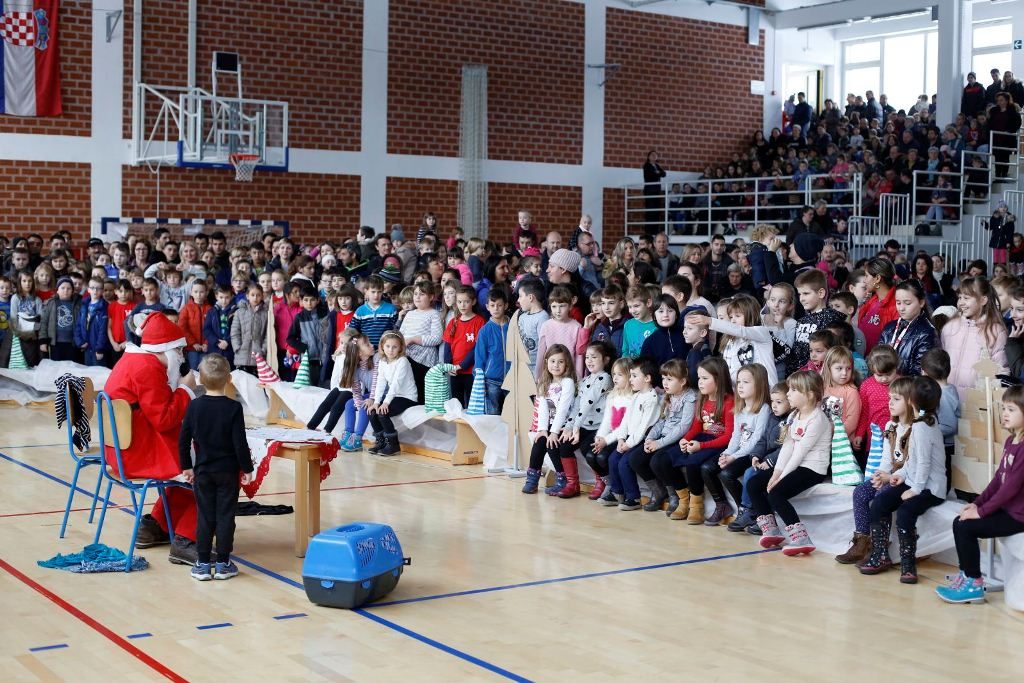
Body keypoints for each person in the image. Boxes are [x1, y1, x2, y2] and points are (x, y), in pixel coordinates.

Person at [103, 312, 200, 564]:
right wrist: (186, 390)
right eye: (179, 350)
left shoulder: (132, 360)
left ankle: (157, 525)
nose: (181, 356)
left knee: (199, 456)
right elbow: (164, 419)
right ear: (165, 349)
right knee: (214, 466)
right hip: (137, 454)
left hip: (123, 450)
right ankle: (187, 538)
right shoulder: (147, 367)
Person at [936, 384, 1024, 604]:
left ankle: (974, 584)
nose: (1005, 414)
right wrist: (977, 504)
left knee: (967, 527)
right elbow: (998, 480)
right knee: (960, 522)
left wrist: (982, 512)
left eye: (1011, 409)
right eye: (1004, 408)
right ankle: (967, 575)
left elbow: (1010, 488)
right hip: (1008, 510)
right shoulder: (1010, 441)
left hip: (1019, 516)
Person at [859, 377, 946, 583]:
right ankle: (880, 555)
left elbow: (924, 463)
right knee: (880, 503)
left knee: (906, 512)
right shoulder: (920, 423)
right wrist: (901, 475)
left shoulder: (923, 427)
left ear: (911, 401)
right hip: (915, 480)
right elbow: (912, 460)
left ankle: (908, 566)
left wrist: (915, 489)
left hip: (930, 488)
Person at [179, 354, 253, 581]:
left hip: (203, 471)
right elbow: (240, 443)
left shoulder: (194, 406)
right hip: (228, 472)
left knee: (205, 516)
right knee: (225, 516)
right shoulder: (234, 408)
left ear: (200, 379)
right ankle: (223, 563)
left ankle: (202, 564)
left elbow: (183, 439)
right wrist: (247, 468)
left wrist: (187, 466)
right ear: (229, 379)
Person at [749, 371, 833, 555]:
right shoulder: (794, 416)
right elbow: (787, 447)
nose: (788, 394)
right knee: (754, 483)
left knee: (776, 494)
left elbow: (800, 452)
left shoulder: (818, 419)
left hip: (812, 469)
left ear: (809, 394)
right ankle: (771, 530)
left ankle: (801, 538)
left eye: (794, 390)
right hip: (796, 464)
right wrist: (776, 473)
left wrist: (780, 478)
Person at [651, 357, 734, 524]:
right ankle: (683, 500)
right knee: (663, 459)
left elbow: (728, 436)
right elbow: (696, 426)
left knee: (692, 463)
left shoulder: (729, 401)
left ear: (718, 379)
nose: (699, 382)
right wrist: (685, 439)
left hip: (717, 443)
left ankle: (697, 506)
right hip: (701, 439)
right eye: (699, 377)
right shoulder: (702, 398)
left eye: (705, 378)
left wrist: (701, 446)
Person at [703, 363, 770, 526]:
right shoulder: (739, 408)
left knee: (726, 474)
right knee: (707, 468)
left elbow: (756, 440)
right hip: (738, 452)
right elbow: (735, 436)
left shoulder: (764, 409)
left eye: (746, 382)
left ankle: (748, 509)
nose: (740, 386)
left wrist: (733, 457)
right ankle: (728, 507)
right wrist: (727, 454)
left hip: (752, 454)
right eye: (739, 382)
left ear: (759, 385)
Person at [522, 344, 578, 496]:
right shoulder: (544, 382)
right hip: (550, 424)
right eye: (553, 361)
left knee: (552, 443)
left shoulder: (567, 382)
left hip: (564, 425)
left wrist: (553, 432)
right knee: (539, 442)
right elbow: (543, 408)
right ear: (546, 362)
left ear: (567, 364)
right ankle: (532, 479)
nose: (556, 365)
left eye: (561, 362)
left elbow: (563, 409)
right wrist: (542, 430)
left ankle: (563, 479)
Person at [942, 277, 1008, 400]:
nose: (961, 303)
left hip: (977, 405)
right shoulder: (949, 327)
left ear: (983, 300)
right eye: (960, 297)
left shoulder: (995, 331)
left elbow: (1001, 371)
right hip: (946, 402)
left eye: (966, 298)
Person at [567, 341, 613, 499]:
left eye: (594, 357)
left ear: (605, 360)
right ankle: (569, 482)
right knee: (564, 445)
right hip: (583, 425)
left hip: (598, 427)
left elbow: (588, 403)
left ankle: (602, 481)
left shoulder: (605, 378)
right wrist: (570, 426)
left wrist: (576, 428)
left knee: (588, 449)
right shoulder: (584, 381)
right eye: (587, 357)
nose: (589, 361)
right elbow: (577, 406)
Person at [365, 331, 417, 456]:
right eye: (388, 346)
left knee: (383, 413)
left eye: (394, 347)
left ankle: (393, 444)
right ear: (382, 346)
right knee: (372, 412)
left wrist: (386, 403)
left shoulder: (403, 361)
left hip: (407, 397)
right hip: (394, 396)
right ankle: (381, 442)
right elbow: (380, 383)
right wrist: (376, 402)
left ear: (400, 348)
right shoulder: (382, 361)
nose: (390, 350)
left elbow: (395, 384)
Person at [877, 280, 937, 376]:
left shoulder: (927, 332)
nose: (901, 308)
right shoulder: (889, 327)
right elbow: (876, 360)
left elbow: (920, 374)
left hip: (907, 385)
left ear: (921, 302)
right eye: (898, 303)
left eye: (907, 303)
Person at [230, 284, 268, 376]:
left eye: (258, 295)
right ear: (247, 296)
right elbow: (235, 332)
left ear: (262, 296)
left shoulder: (266, 314)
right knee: (242, 381)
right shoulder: (239, 312)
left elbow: (268, 335)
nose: (255, 298)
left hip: (258, 356)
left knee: (256, 382)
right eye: (252, 295)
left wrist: (263, 350)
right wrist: (237, 347)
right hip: (242, 355)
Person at [642, 150, 667, 235]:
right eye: (652, 155)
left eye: (655, 155)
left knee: (656, 211)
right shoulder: (647, 165)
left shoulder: (656, 165)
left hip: (656, 191)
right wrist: (657, 173)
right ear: (648, 157)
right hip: (650, 191)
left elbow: (664, 174)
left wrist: (657, 172)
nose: (654, 156)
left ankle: (655, 230)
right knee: (650, 211)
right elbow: (651, 175)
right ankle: (649, 231)